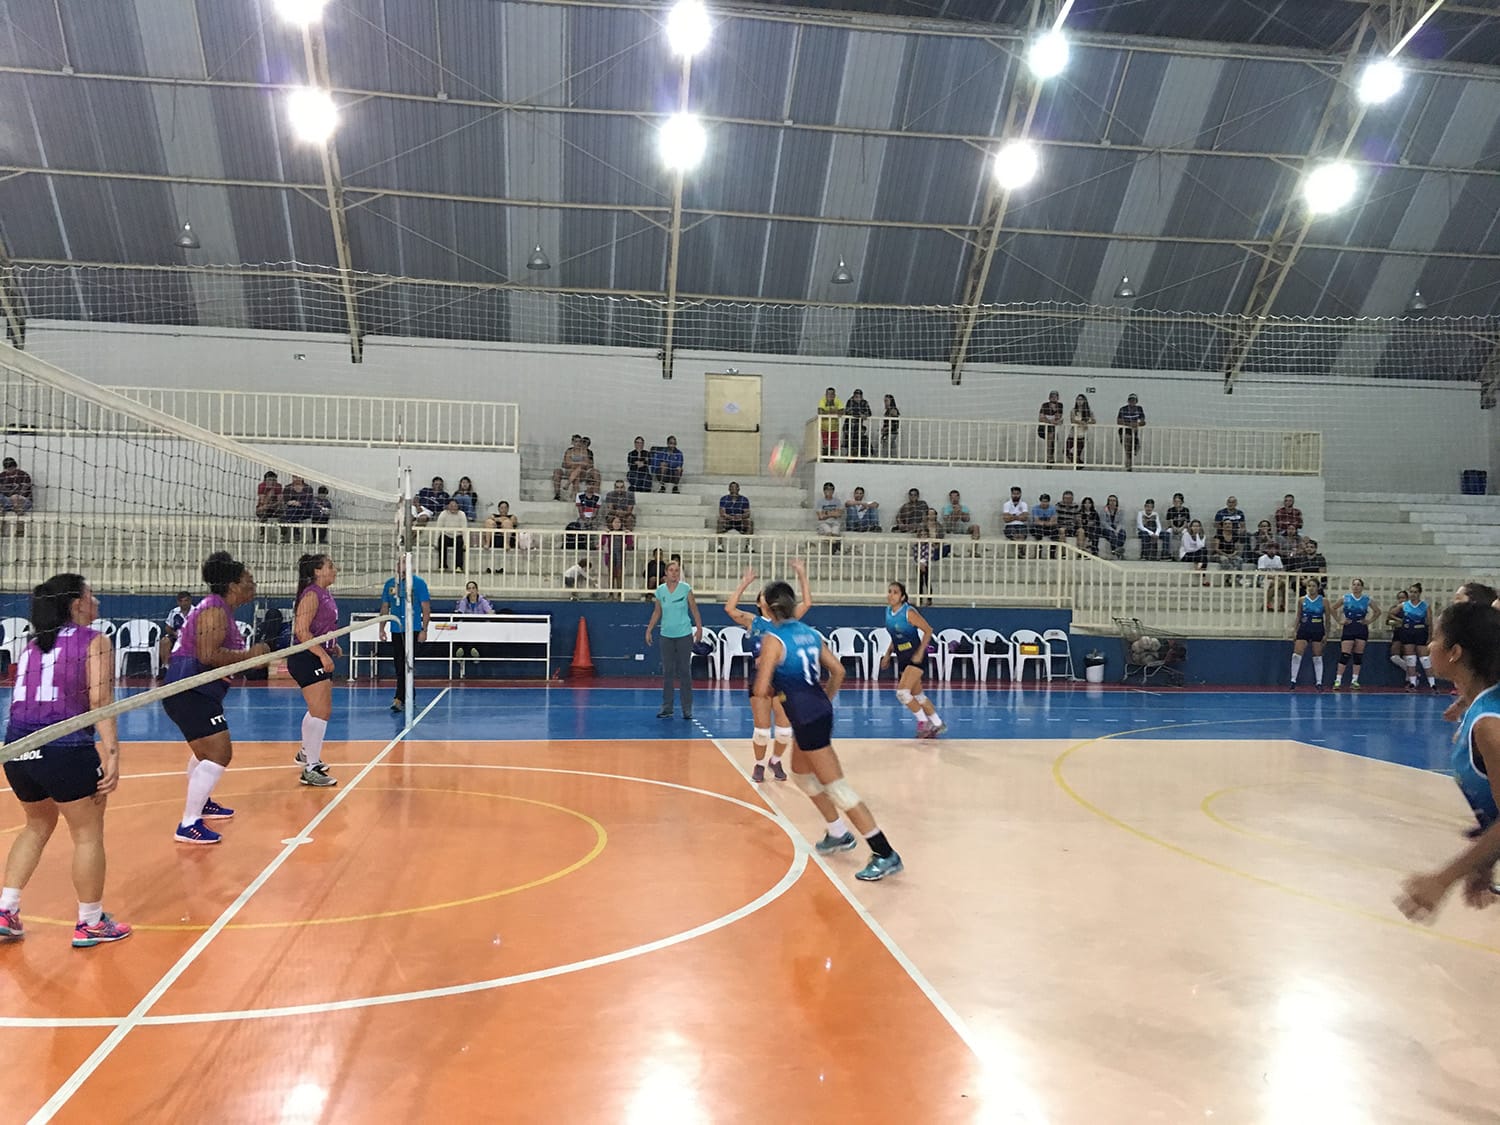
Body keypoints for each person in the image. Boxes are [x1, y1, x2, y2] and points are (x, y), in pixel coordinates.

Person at [0, 574, 129, 946]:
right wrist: (112, 753)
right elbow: (100, 701)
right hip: (65, 748)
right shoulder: (94, 640)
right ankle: (90, 922)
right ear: (77, 604)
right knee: (87, 834)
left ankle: (6, 909)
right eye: (92, 595)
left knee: (36, 824)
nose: (97, 602)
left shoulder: (33, 643)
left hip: (17, 749)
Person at [755, 579, 903, 881]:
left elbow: (760, 689)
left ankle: (885, 852)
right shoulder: (810, 633)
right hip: (814, 712)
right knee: (801, 775)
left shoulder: (773, 639)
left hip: (807, 717)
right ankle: (837, 832)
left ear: (768, 608)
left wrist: (768, 671)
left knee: (838, 788)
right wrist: (824, 698)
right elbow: (838, 670)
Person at [1396, 601, 1500, 924]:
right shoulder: (1479, 708)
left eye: (1436, 637)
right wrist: (1484, 861)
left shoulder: (1489, 725)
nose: (1429, 645)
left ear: (1454, 652)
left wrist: (1443, 880)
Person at [163, 552, 273, 845]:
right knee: (219, 753)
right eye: (248, 580)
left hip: (195, 690)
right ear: (233, 585)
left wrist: (251, 659)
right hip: (190, 689)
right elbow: (207, 655)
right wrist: (250, 656)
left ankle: (202, 803)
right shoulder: (214, 610)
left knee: (205, 751)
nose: (253, 584)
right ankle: (188, 824)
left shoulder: (221, 609)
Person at [724, 561, 810, 783]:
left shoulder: (785, 621)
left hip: (783, 678)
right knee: (762, 731)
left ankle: (775, 760)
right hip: (760, 679)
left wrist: (802, 574)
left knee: (784, 731)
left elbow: (807, 603)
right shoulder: (753, 621)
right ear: (759, 602)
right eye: (764, 594)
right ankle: (760, 765)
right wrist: (744, 583)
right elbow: (729, 609)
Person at [286, 554, 341, 787]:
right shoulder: (311, 594)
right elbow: (301, 631)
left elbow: (322, 627)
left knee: (318, 709)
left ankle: (305, 753)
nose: (335, 569)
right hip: (306, 657)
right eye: (330, 566)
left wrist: (331, 645)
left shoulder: (325, 593)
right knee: (322, 711)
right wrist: (322, 654)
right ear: (317, 571)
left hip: (316, 654)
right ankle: (310, 769)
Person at [879, 580, 945, 739]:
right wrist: (887, 654)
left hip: (916, 657)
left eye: (895, 592)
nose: (891, 595)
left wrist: (920, 652)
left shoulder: (909, 612)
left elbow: (928, 631)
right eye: (889, 591)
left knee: (902, 693)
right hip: (902, 657)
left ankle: (923, 722)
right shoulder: (888, 612)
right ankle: (937, 723)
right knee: (918, 696)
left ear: (902, 597)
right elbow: (895, 637)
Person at [645, 559, 703, 719]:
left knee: (684, 671)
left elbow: (694, 609)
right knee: (668, 672)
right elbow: (657, 612)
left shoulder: (686, 589)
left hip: (684, 635)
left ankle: (687, 709)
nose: (674, 573)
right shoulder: (660, 591)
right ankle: (667, 707)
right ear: (666, 573)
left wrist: (699, 628)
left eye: (677, 570)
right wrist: (649, 629)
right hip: (666, 636)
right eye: (671, 570)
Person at [379, 559, 431, 714]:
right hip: (396, 629)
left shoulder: (419, 583)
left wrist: (424, 629)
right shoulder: (390, 584)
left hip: (413, 629)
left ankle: (398, 698)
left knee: (407, 663)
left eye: (404, 563)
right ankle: (410, 695)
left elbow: (426, 607)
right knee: (399, 664)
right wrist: (382, 628)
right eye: (398, 563)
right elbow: (385, 607)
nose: (400, 566)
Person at [1332, 578, 1377, 690]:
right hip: (1349, 627)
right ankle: (1338, 680)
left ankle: (1354, 680)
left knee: (1358, 656)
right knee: (1345, 655)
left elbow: (1378, 611)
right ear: (1351, 586)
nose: (1356, 587)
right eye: (1354, 584)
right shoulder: (1346, 598)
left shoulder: (1366, 599)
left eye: (1358, 585)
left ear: (1362, 587)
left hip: (1361, 628)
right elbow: (1333, 608)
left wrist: (1369, 621)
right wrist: (1340, 621)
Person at [1391, 582, 1435, 691]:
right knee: (1410, 659)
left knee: (1425, 659)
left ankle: (1432, 684)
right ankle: (1412, 683)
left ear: (1419, 593)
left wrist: (1430, 636)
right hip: (1408, 632)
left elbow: (1429, 622)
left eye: (1415, 592)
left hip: (1421, 632)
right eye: (1411, 592)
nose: (1413, 594)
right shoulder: (1404, 605)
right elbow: (1391, 613)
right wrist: (1400, 620)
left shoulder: (1425, 605)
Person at [1288, 577, 1327, 691]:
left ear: (1318, 588)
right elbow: (1298, 616)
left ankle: (1319, 682)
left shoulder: (1324, 601)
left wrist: (1326, 634)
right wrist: (1294, 630)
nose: (1311, 588)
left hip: (1317, 629)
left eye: (1313, 586)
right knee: (1296, 655)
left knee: (1317, 656)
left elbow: (1328, 619)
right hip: (1304, 628)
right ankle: (1293, 680)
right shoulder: (1302, 600)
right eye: (1309, 586)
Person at [159, 590, 194, 679]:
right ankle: (165, 667)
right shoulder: (174, 612)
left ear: (190, 601)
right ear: (178, 602)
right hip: (176, 636)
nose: (184, 603)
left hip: (191, 638)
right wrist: (174, 634)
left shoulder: (196, 612)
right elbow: (168, 627)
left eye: (186, 600)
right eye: (181, 601)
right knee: (164, 641)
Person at [1, 456, 34, 536]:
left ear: (15, 467)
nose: (10, 470)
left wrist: (11, 494)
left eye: (11, 468)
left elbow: (23, 492)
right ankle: (0, 529)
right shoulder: (2, 476)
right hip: (7, 501)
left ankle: (20, 529)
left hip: (24, 501)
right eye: (8, 469)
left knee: (15, 498)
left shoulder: (23, 475)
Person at [434, 498, 469, 572]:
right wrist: (435, 542)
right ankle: (442, 565)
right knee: (442, 540)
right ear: (447, 506)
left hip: (458, 535)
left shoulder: (462, 514)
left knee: (459, 543)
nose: (453, 507)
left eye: (455, 506)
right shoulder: (443, 514)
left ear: (458, 506)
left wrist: (466, 543)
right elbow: (438, 528)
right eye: (451, 506)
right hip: (446, 535)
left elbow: (464, 529)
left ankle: (458, 566)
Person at [1116, 394, 1145, 470]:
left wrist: (1137, 424)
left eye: (1133, 400)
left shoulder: (1139, 409)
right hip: (1125, 429)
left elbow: (1143, 421)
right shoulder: (1123, 409)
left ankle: (1129, 460)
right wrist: (1129, 424)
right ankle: (1129, 462)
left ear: (1136, 401)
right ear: (1128, 401)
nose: (1132, 402)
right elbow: (1118, 421)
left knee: (1132, 447)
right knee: (1127, 445)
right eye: (1130, 400)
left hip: (1134, 430)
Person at [843, 388, 872, 459]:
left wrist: (864, 415)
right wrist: (860, 415)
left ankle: (857, 456)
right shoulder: (850, 401)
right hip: (849, 427)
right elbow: (848, 411)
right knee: (849, 443)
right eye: (856, 396)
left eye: (859, 397)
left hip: (858, 427)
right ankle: (849, 457)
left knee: (857, 443)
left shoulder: (864, 402)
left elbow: (869, 413)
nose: (858, 398)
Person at [255, 470, 283, 541]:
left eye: (274, 480)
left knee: (283, 512)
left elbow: (280, 502)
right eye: (269, 480)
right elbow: (262, 502)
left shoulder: (278, 486)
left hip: (274, 507)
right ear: (265, 480)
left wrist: (271, 505)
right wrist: (270, 493)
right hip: (263, 507)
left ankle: (281, 534)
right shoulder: (262, 486)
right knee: (262, 512)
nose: (272, 482)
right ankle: (262, 534)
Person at [1037, 390, 1064, 463]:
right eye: (1052, 396)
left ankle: (1050, 458)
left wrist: (1050, 418)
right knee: (1051, 436)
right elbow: (1041, 418)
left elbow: (1058, 418)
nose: (1054, 398)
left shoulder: (1060, 405)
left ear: (1058, 398)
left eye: (1055, 397)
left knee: (1052, 439)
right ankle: (1049, 457)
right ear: (1049, 398)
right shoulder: (1045, 405)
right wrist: (1051, 421)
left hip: (1052, 428)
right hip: (1043, 428)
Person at [1098, 495, 1127, 559]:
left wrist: (1117, 530)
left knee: (1123, 533)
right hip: (1106, 529)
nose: (1112, 502)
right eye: (1110, 500)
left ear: (1116, 502)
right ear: (1108, 502)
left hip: (1116, 529)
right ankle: (1118, 552)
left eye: (1114, 501)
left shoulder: (1120, 511)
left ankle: (1115, 551)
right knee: (1112, 535)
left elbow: (1121, 523)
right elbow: (1103, 523)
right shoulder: (1103, 510)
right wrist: (1113, 530)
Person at [816, 387, 843, 456]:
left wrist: (827, 412)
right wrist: (834, 412)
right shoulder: (823, 400)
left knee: (833, 448)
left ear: (834, 395)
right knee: (826, 446)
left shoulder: (837, 400)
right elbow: (820, 412)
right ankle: (825, 458)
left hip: (834, 429)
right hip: (824, 428)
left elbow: (842, 411)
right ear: (826, 395)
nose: (830, 396)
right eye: (828, 394)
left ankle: (831, 459)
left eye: (832, 394)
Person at [815, 482, 843, 548]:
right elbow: (821, 516)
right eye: (827, 489)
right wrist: (832, 513)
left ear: (833, 491)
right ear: (824, 491)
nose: (829, 491)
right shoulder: (820, 502)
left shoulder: (837, 501)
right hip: (824, 523)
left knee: (835, 533)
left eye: (830, 489)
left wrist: (826, 513)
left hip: (835, 522)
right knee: (828, 532)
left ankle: (833, 547)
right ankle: (834, 547)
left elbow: (839, 514)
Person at [1068, 394, 1094, 464]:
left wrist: (1086, 422)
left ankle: (1077, 465)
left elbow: (1093, 421)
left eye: (1081, 400)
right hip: (1073, 434)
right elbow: (1072, 420)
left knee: (1078, 453)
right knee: (1066, 450)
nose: (1079, 401)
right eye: (1078, 399)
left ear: (1084, 401)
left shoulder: (1088, 411)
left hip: (1082, 435)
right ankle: (1079, 464)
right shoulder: (1073, 410)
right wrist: (1081, 422)